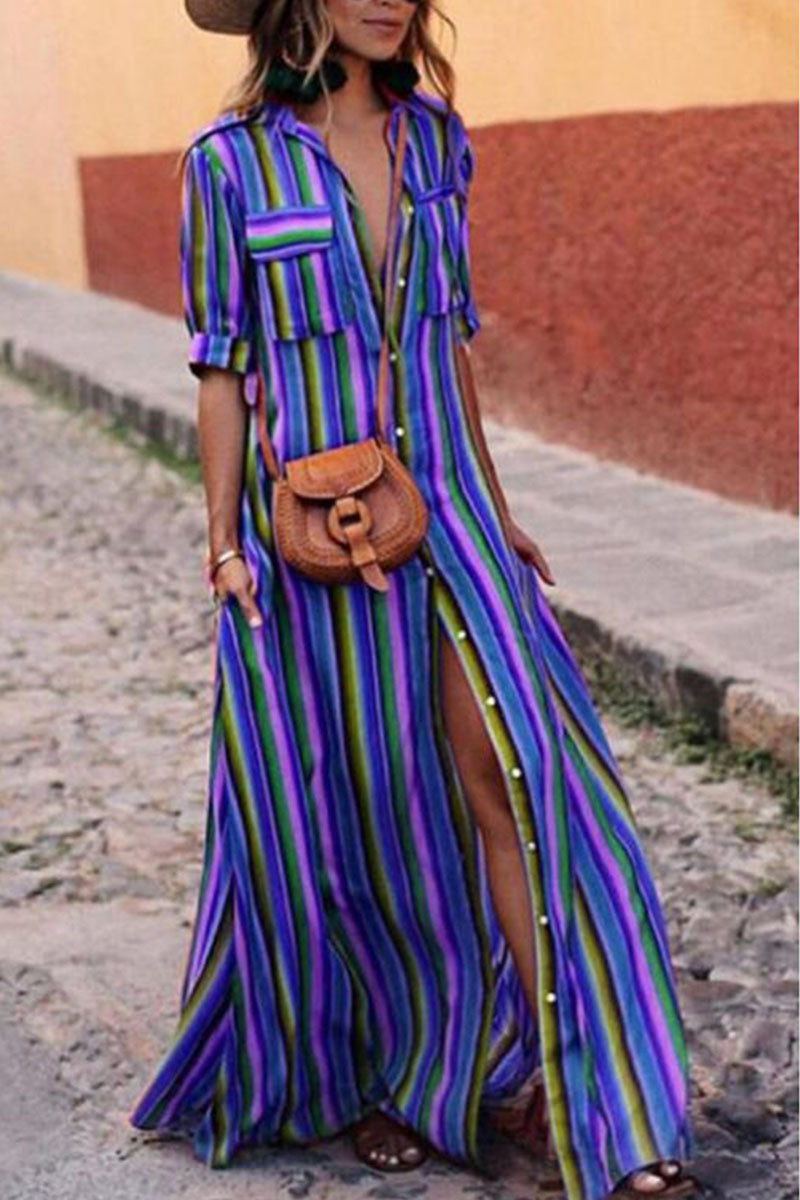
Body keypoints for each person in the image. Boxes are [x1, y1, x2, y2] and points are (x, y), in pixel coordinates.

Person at [129, 3, 709, 1198]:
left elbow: (449, 345)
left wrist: (495, 508)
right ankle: (404, 1074)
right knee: (377, 819)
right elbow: (222, 367)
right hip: (318, 543)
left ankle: (606, 1111)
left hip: (450, 519)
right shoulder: (228, 165)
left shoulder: (436, 139)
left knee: (532, 782)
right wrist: (224, 544)